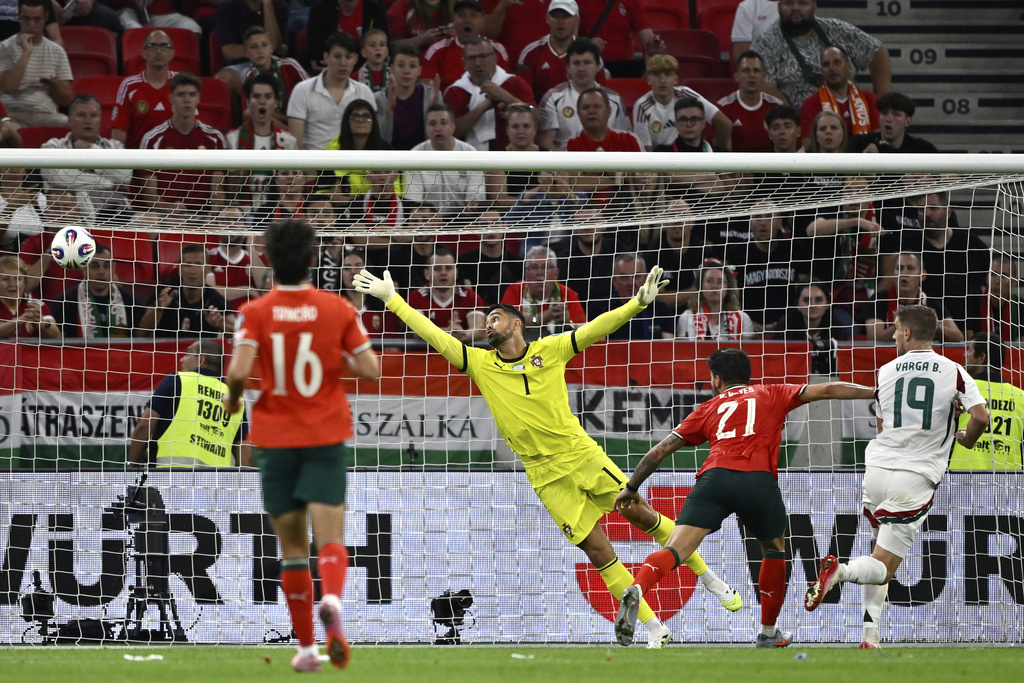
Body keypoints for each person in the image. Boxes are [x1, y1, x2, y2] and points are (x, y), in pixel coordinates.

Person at [353, 263, 742, 650]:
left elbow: (595, 328)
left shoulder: (549, 351)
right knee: (598, 550)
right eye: (486, 320)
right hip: (543, 475)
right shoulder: (479, 363)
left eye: (495, 317)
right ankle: (655, 629)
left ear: (516, 324)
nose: (488, 325)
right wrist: (392, 300)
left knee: (640, 515)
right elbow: (436, 336)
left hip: (580, 455)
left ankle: (709, 578)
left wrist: (636, 305)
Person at [612, 347, 875, 648]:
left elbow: (659, 451)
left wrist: (632, 487)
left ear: (716, 379)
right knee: (774, 548)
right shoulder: (772, 392)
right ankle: (767, 632)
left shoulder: (708, 408)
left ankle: (637, 587)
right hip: (757, 481)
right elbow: (827, 388)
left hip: (714, 480)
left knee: (677, 549)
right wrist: (874, 392)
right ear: (748, 376)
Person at [223, 218, 381, 672]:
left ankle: (308, 651)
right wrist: (333, 361)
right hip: (325, 434)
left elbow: (237, 373)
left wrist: (235, 401)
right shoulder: (338, 309)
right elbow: (370, 369)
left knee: (292, 551)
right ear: (313, 260)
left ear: (269, 261)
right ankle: (332, 597)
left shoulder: (254, 313)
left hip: (274, 439)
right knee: (329, 538)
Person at [804, 305, 988, 649]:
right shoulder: (955, 370)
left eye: (895, 329)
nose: (891, 334)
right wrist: (964, 437)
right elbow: (980, 416)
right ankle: (839, 572)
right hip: (914, 474)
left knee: (877, 551)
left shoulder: (886, 371)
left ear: (907, 333)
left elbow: (881, 424)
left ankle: (870, 636)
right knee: (883, 566)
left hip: (876, 470)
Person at [129, 340, 248, 468]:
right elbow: (245, 456)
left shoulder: (177, 380)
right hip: (216, 484)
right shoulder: (235, 400)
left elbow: (144, 425)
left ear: (200, 360)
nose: (182, 359)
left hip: (169, 479)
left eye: (187, 353)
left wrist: (132, 468)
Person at [750, 0, 890, 107]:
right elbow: (763, 86)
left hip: (850, 114)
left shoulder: (837, 29)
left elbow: (877, 51)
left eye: (803, 2)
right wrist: (791, 118)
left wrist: (881, 98)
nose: (795, 8)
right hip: (802, 123)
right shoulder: (765, 43)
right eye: (789, 3)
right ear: (779, 7)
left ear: (814, 6)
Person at [139, 72, 228, 218]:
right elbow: (150, 195)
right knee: (145, 220)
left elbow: (217, 189)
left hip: (204, 215)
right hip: (165, 216)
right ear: (171, 98)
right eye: (181, 94)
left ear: (198, 98)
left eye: (192, 95)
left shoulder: (214, 139)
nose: (187, 100)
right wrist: (169, 208)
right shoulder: (153, 139)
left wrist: (213, 211)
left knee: (230, 218)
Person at [40, 94, 132, 222]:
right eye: (81, 115)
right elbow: (60, 179)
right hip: (72, 216)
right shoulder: (53, 147)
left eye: (93, 116)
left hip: (117, 210)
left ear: (100, 119)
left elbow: (124, 177)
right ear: (70, 120)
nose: (88, 121)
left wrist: (91, 150)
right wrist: (108, 184)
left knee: (149, 221)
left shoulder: (114, 147)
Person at [227, 73, 300, 222]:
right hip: (241, 214)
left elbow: (297, 186)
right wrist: (236, 176)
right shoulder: (232, 139)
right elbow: (227, 190)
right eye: (256, 96)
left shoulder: (288, 142)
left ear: (275, 103)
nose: (262, 102)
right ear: (247, 102)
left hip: (278, 214)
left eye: (267, 97)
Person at [727, 203, 809, 332]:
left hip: (790, 325)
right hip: (749, 326)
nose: (763, 223)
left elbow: (805, 287)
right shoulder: (736, 254)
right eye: (758, 217)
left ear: (779, 223)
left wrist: (795, 320)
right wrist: (745, 321)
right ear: (750, 223)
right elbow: (728, 295)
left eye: (769, 217)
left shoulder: (795, 249)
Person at [288, 31, 377, 150]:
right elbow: (295, 144)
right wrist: (309, 169)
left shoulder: (364, 92)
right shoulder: (302, 90)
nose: (343, 63)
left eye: (348, 57)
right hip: (313, 164)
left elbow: (373, 137)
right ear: (326, 57)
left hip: (353, 165)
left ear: (355, 59)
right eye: (337, 56)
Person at [949, 333, 1024, 470]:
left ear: (981, 358)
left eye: (970, 350)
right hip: (1009, 478)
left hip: (963, 474)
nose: (965, 355)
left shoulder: (960, 391)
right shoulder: (1021, 396)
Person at [537, 37, 628, 151]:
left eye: (587, 62)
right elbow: (545, 143)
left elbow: (624, 142)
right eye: (576, 63)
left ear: (598, 66)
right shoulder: (552, 98)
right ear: (568, 68)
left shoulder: (615, 100)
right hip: (567, 165)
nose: (581, 68)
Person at [445, 36, 534, 151]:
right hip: (469, 158)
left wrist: (507, 98)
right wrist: (484, 106)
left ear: (494, 58)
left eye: (482, 56)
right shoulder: (455, 91)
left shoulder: (515, 83)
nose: (477, 63)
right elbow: (452, 132)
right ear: (464, 62)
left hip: (513, 156)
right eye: (471, 58)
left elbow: (536, 115)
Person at [633, 54, 731, 152]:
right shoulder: (642, 107)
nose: (662, 81)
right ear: (648, 79)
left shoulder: (686, 94)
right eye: (656, 74)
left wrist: (718, 155)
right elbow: (646, 154)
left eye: (668, 74)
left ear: (676, 79)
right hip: (662, 160)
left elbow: (725, 123)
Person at [404, 102, 486, 218]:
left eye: (443, 123)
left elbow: (475, 194)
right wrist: (430, 215)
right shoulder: (415, 155)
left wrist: (472, 204)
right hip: (428, 220)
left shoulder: (470, 153)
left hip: (464, 218)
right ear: (426, 128)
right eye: (432, 124)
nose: (438, 128)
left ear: (453, 126)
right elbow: (414, 199)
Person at [139, 243, 236, 339]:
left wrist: (221, 326)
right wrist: (159, 309)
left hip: (201, 353)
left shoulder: (215, 299)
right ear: (180, 269)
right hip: (166, 351)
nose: (192, 271)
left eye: (198, 265)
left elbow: (239, 334)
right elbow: (141, 334)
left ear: (208, 269)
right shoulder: (164, 292)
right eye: (187, 265)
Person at [0, 0, 72, 128]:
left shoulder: (57, 51)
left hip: (45, 113)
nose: (31, 25)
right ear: (19, 17)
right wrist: (26, 53)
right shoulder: (4, 47)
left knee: (72, 125)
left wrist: (53, 85)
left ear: (46, 18)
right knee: (8, 132)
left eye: (37, 19)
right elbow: (9, 87)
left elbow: (66, 100)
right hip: (12, 114)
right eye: (26, 19)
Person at [864, 251, 963, 343]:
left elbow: (959, 337)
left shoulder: (931, 303)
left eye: (910, 268)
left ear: (922, 275)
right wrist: (899, 324)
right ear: (893, 275)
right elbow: (873, 340)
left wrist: (934, 326)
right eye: (900, 268)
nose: (904, 273)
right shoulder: (879, 300)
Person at [51, 243, 141, 339]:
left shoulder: (131, 301)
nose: (101, 272)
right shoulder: (66, 302)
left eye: (106, 266)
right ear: (84, 269)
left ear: (114, 268)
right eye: (95, 266)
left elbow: (143, 337)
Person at [799, 46, 878, 147]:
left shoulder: (869, 98)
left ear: (849, 66)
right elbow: (807, 144)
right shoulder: (811, 103)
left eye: (837, 62)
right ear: (822, 71)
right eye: (826, 65)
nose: (832, 68)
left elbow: (878, 136)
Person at [500, 244, 586, 338]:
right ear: (526, 274)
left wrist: (567, 323)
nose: (540, 272)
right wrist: (542, 317)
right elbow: (503, 326)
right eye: (534, 267)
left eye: (546, 267)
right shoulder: (515, 290)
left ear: (556, 274)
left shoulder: (567, 294)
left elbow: (585, 331)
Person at [421, 0, 510, 91]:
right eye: (461, 15)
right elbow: (426, 93)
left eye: (473, 15)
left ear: (483, 20)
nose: (467, 20)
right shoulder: (436, 51)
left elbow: (504, 90)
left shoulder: (497, 50)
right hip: (447, 103)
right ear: (454, 20)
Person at [111, 28, 177, 149]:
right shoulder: (129, 86)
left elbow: (193, 128)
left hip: (176, 161)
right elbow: (118, 137)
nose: (158, 51)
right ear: (144, 52)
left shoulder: (180, 83)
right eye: (152, 46)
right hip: (139, 162)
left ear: (172, 53)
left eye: (164, 46)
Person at [407, 246, 487, 343]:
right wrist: (448, 332)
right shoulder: (415, 298)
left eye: (448, 268)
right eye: (437, 269)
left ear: (456, 273)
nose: (443, 273)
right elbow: (418, 331)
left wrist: (463, 334)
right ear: (427, 274)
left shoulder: (470, 296)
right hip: (426, 356)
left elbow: (478, 329)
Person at [772, 282, 852, 375]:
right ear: (797, 304)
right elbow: (776, 360)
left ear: (827, 304)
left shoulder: (836, 325)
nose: (812, 305)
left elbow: (843, 362)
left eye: (818, 300)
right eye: (806, 300)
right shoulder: (785, 324)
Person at [590, 253, 674, 340]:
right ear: (614, 281)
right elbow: (597, 349)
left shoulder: (661, 309)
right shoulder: (599, 309)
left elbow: (667, 348)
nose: (631, 283)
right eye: (624, 277)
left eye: (636, 276)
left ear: (646, 279)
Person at [236, 25, 310, 123]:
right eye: (254, 47)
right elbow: (252, 110)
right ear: (246, 53)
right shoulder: (248, 74)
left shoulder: (290, 64)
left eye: (264, 45)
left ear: (271, 48)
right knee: (250, 113)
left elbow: (312, 93)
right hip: (271, 122)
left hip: (298, 118)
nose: (260, 51)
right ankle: (289, 136)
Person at [716, 50, 783, 153]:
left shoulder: (777, 107)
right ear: (736, 76)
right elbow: (721, 152)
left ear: (764, 77)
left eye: (756, 71)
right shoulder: (723, 108)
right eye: (746, 70)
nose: (752, 75)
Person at [205, 207, 272, 310]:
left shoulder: (259, 258)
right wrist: (247, 290)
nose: (231, 225)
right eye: (225, 221)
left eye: (237, 220)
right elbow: (210, 291)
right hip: (218, 319)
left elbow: (265, 289)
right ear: (216, 226)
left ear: (245, 226)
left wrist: (251, 249)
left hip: (251, 319)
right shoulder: (206, 257)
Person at [576, 0, 662, 78]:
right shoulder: (577, 2)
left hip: (622, 64)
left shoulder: (632, 2)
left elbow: (648, 39)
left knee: (649, 71)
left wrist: (655, 45)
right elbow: (568, 39)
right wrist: (587, 45)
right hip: (589, 62)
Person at [515, 0, 579, 103]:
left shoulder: (588, 53)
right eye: (555, 16)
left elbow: (600, 93)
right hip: (540, 115)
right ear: (547, 18)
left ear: (577, 20)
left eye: (566, 16)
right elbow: (524, 97)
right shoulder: (530, 54)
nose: (560, 21)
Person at [676, 260, 756, 341]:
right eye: (709, 281)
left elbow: (747, 351)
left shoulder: (743, 319)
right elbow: (683, 351)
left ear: (728, 287)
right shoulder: (687, 317)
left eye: (720, 282)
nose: (714, 286)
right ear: (700, 285)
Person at [306, 0, 389, 72]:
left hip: (365, 68)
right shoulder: (319, 10)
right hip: (331, 68)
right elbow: (317, 49)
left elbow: (384, 45)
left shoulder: (377, 11)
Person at [849, 91, 938, 154]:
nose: (888, 119)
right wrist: (862, 161)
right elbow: (844, 176)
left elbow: (939, 177)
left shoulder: (922, 149)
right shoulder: (860, 143)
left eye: (896, 114)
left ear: (908, 121)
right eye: (884, 113)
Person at [0, 253, 59, 338]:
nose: (12, 284)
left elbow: (57, 337)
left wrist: (41, 323)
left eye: (18, 279)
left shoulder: (36, 304)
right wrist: (20, 321)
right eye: (6, 279)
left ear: (25, 282)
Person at [966, 253, 1021, 343]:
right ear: (987, 278)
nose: (998, 281)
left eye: (1004, 276)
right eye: (993, 274)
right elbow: (969, 342)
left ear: (1014, 281)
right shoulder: (972, 303)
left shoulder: (1020, 306)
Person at [355, 27, 389, 92]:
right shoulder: (355, 78)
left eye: (382, 44)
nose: (378, 48)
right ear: (363, 52)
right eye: (372, 45)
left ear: (387, 51)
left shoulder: (395, 76)